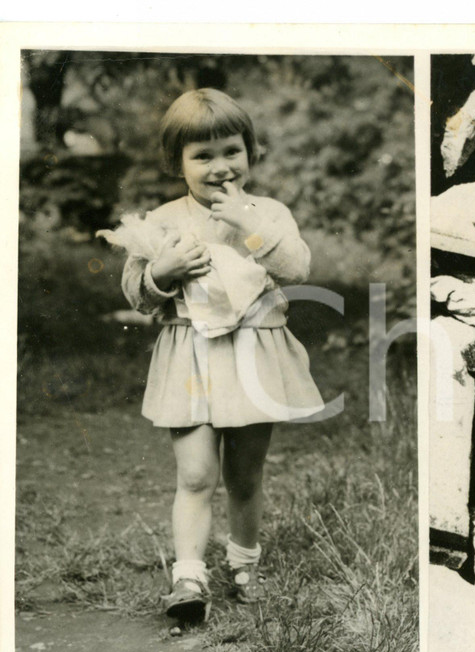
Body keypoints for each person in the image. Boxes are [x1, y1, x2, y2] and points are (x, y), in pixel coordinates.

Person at [109, 88, 324, 622]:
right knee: (196, 473)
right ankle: (189, 577)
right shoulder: (162, 220)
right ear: (177, 162)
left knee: (244, 475)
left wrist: (250, 225)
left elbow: (297, 268)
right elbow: (137, 294)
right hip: (192, 356)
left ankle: (244, 564)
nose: (220, 166)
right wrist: (163, 272)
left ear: (250, 151)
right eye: (202, 156)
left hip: (254, 352)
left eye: (231, 151)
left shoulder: (268, 212)